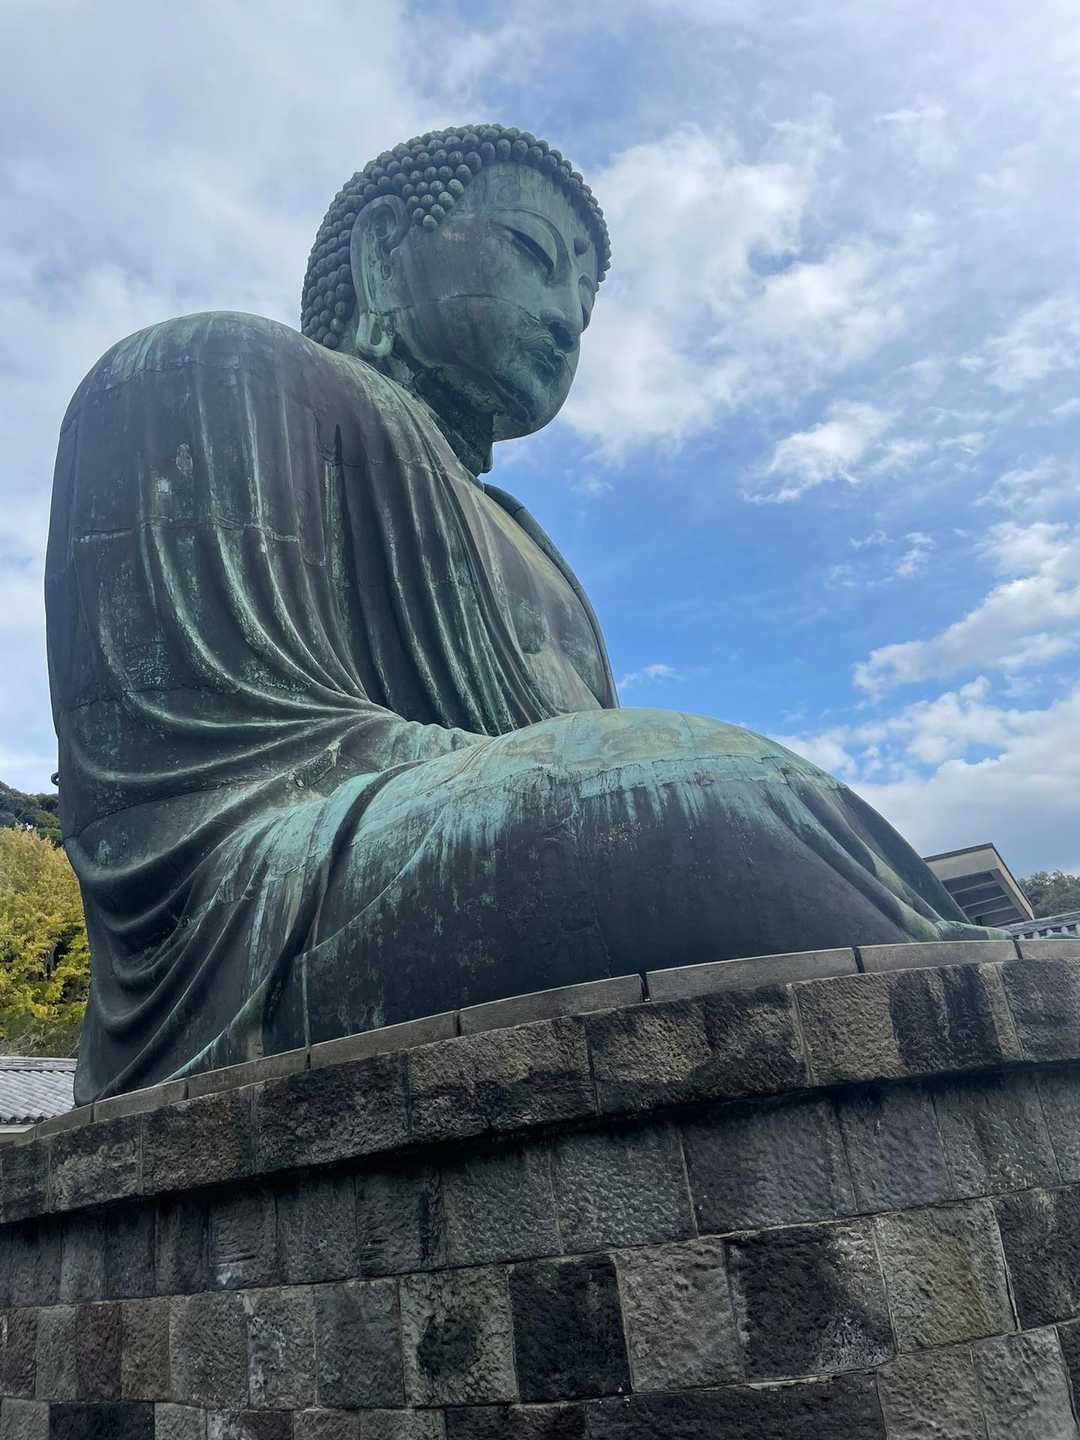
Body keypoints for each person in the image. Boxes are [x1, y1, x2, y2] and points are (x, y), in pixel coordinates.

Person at [46, 125, 992, 1102]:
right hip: (268, 902)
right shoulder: (209, 371)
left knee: (698, 798)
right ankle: (962, 985)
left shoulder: (536, 546)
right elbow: (188, 784)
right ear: (381, 253)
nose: (567, 319)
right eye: (535, 256)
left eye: (586, 302)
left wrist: (591, 776)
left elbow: (572, 764)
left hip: (508, 841)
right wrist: (594, 778)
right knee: (703, 811)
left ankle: (958, 984)